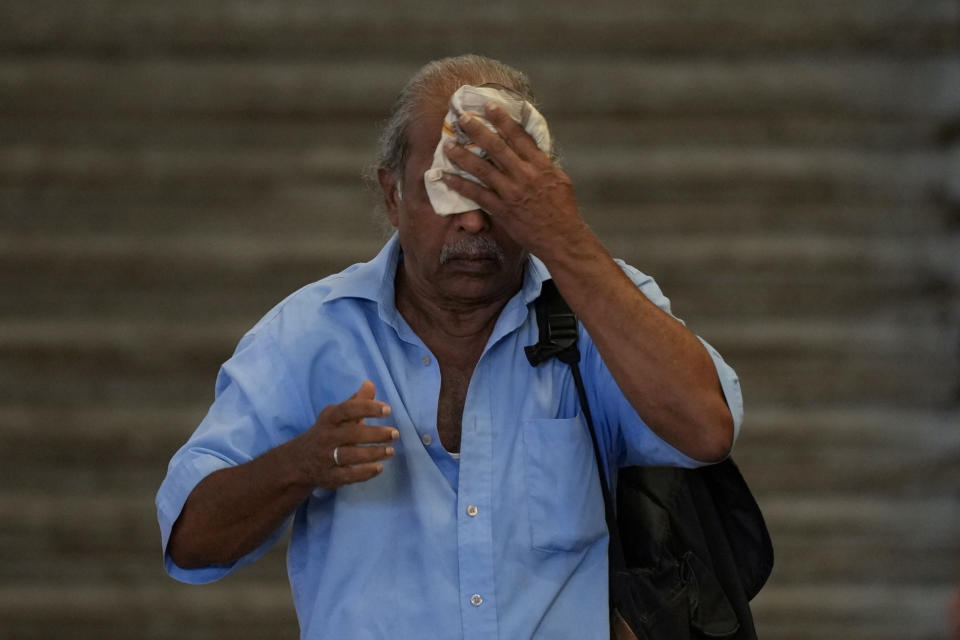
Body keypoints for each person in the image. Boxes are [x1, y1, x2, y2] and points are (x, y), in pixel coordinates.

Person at [156, 54, 743, 639]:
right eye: (446, 187)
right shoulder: (312, 332)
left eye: (499, 190)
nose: (473, 222)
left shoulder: (599, 303)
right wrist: (301, 463)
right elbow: (190, 543)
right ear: (392, 196)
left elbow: (706, 430)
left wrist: (563, 239)